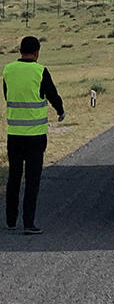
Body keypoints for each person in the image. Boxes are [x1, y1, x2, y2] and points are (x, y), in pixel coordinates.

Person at [3, 35, 65, 235]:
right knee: (32, 179)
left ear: (20, 51)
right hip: (36, 136)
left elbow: (7, 95)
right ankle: (28, 223)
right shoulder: (40, 71)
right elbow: (52, 94)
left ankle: (10, 221)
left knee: (14, 177)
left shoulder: (8, 70)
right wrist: (60, 111)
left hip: (14, 134)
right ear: (37, 52)